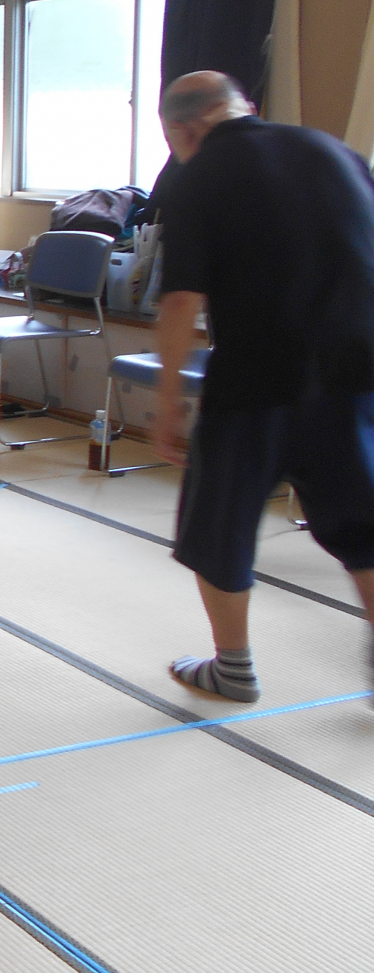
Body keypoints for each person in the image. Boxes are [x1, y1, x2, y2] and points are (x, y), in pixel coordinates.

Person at [153, 70, 374, 702]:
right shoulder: (334, 151)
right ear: (244, 107)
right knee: (363, 524)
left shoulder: (199, 176)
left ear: (183, 130)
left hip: (257, 378)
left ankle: (233, 668)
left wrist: (166, 404)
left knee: (217, 524)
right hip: (357, 372)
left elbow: (181, 301)